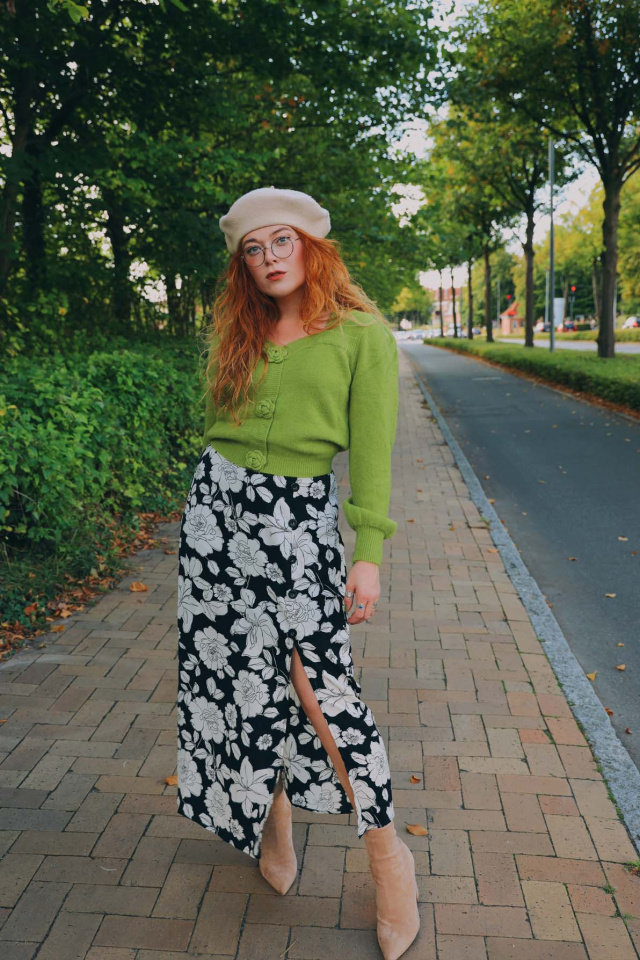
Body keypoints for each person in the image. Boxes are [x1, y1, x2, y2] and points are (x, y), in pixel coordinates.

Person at [176, 186, 420, 960]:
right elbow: (221, 425)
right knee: (235, 677)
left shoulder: (359, 334)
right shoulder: (240, 328)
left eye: (279, 243)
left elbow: (371, 455)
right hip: (217, 514)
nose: (267, 260)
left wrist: (369, 551)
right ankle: (267, 822)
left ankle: (389, 859)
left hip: (298, 527)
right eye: (252, 250)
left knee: (323, 690)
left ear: (312, 246)